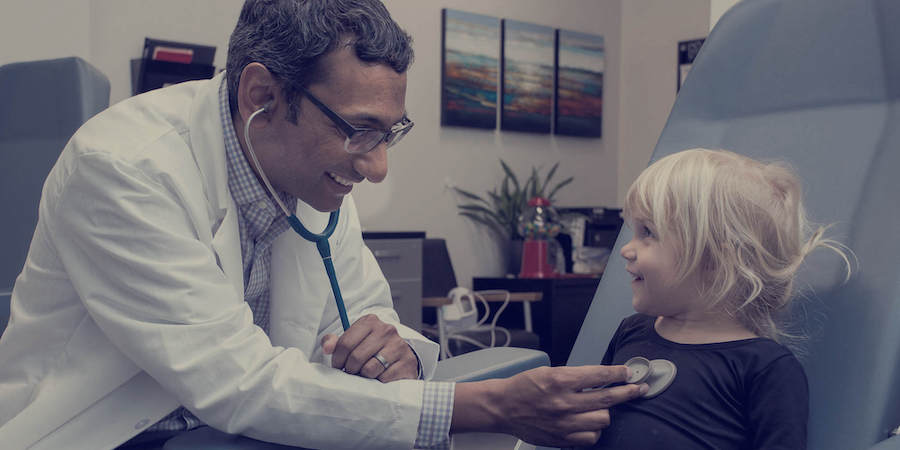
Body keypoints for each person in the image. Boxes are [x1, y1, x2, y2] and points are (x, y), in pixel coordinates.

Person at [0, 1, 646, 449]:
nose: (379, 167)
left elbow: (365, 313)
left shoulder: (316, 175)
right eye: (360, 131)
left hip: (233, 433)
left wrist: (394, 349)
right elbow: (239, 381)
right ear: (261, 97)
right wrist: (488, 407)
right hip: (109, 433)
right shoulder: (124, 169)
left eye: (389, 134)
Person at [584, 148, 852, 449]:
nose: (627, 249)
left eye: (648, 232)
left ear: (715, 259)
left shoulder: (763, 368)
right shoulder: (630, 332)